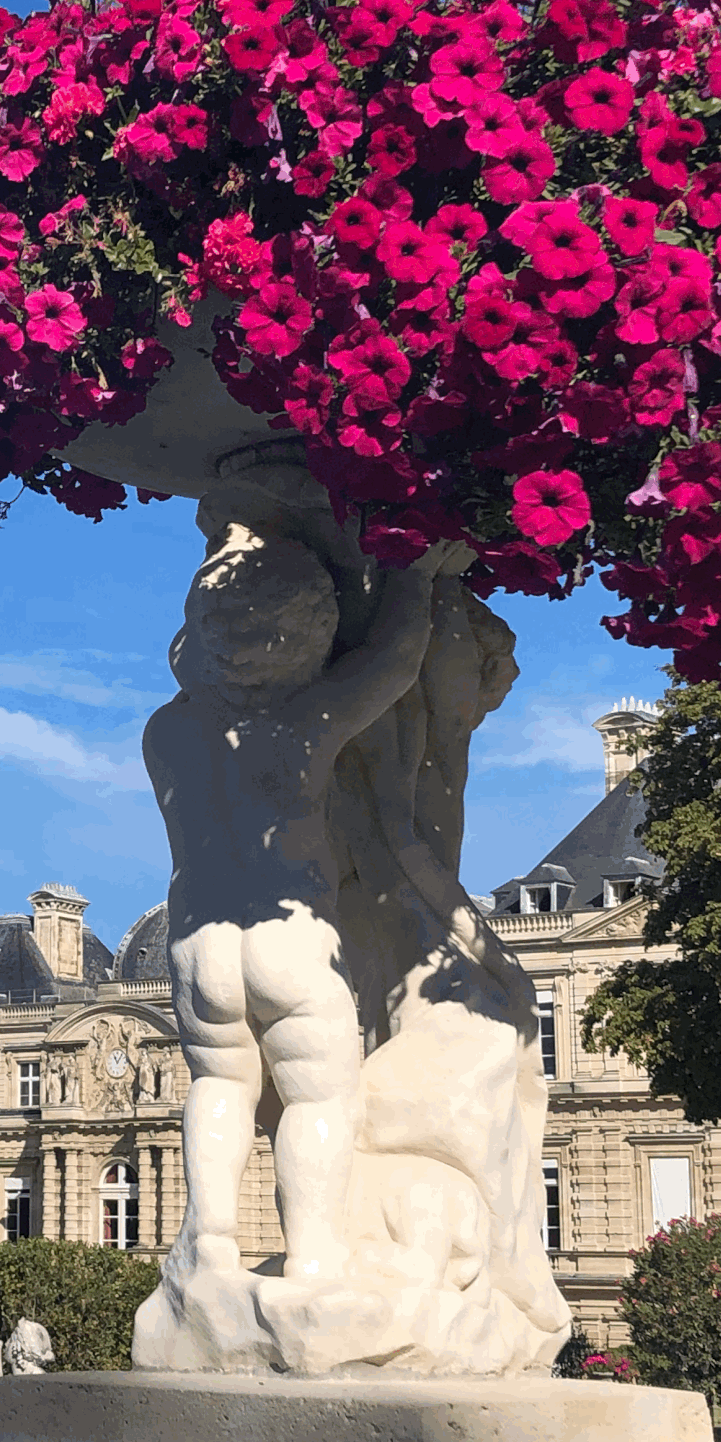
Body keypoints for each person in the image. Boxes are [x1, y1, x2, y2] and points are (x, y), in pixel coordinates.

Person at [147, 530, 466, 1282]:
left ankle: (210, 1243)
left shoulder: (166, 732)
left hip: (196, 943)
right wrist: (414, 569)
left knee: (219, 1087)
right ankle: (315, 1250)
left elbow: (192, 661)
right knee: (320, 1098)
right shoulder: (298, 727)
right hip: (286, 935)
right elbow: (391, 664)